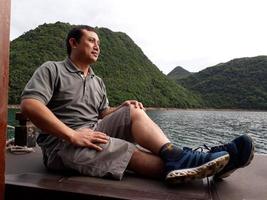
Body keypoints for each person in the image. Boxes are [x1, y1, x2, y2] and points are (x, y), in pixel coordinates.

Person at [20, 25, 254, 184]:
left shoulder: (97, 81)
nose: (97, 46)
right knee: (125, 151)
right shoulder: (52, 69)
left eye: (98, 43)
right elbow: (30, 105)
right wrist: (72, 135)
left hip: (93, 132)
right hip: (63, 146)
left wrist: (120, 109)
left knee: (132, 110)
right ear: (73, 42)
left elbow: (102, 114)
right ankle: (211, 163)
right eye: (91, 40)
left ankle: (182, 155)